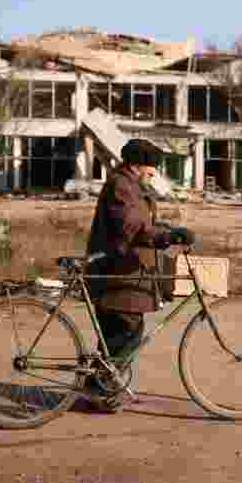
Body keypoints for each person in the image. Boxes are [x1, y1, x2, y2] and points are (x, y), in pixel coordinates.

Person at [83, 138, 193, 411]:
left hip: (126, 271)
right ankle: (100, 391)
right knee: (124, 330)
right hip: (117, 272)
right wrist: (165, 236)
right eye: (151, 167)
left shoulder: (131, 186)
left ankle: (101, 389)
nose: (154, 172)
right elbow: (131, 226)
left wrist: (169, 230)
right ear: (135, 165)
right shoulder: (122, 185)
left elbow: (144, 222)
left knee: (120, 333)